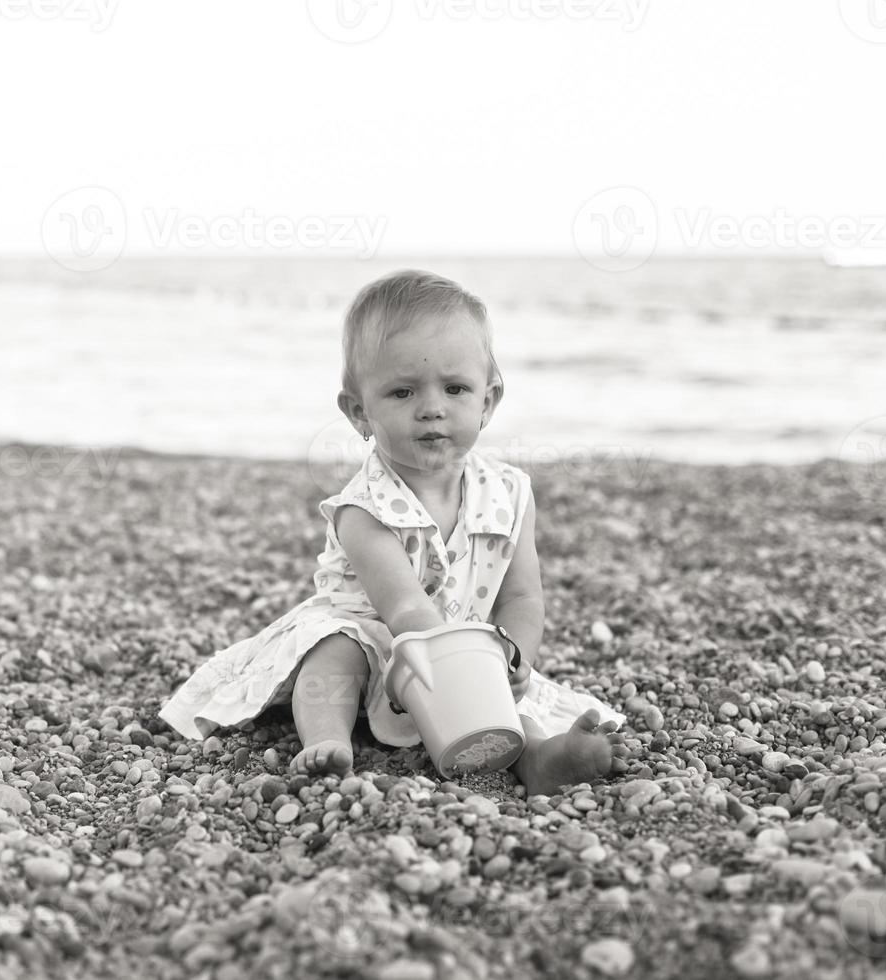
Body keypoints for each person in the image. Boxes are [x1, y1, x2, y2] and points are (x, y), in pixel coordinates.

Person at [158, 270, 627, 795]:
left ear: (488, 400)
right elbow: (403, 608)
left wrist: (512, 655)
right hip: (380, 637)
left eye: (455, 388)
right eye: (402, 392)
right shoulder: (364, 509)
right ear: (360, 412)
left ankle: (539, 759)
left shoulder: (511, 493)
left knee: (503, 702)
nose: (432, 407)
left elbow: (522, 596)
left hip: (468, 649)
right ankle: (327, 738)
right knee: (332, 656)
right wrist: (456, 664)